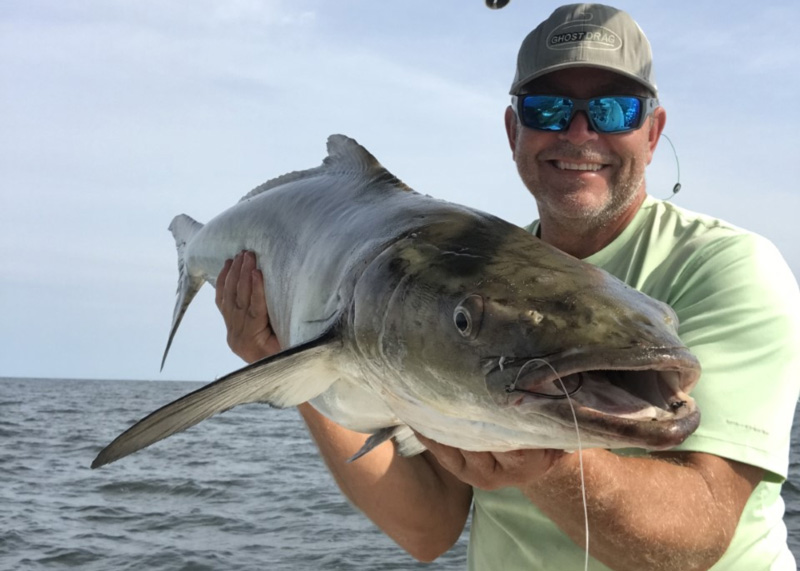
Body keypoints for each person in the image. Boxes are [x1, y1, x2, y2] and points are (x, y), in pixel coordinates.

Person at [215, 4, 800, 570]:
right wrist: (288, 363)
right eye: (548, 109)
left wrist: (538, 456)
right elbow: (427, 529)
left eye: (615, 110)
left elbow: (694, 543)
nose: (579, 131)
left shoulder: (730, 266)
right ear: (512, 129)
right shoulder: (458, 273)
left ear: (653, 131)